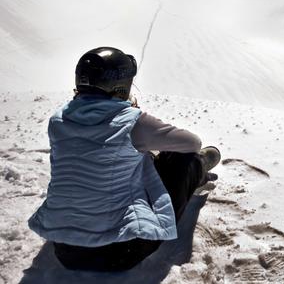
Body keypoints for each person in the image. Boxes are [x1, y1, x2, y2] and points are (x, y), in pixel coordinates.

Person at [28, 47, 221, 272]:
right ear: (122, 85)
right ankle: (198, 171)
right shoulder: (132, 122)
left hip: (64, 250)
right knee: (182, 159)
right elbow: (192, 143)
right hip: (118, 254)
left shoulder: (58, 121)